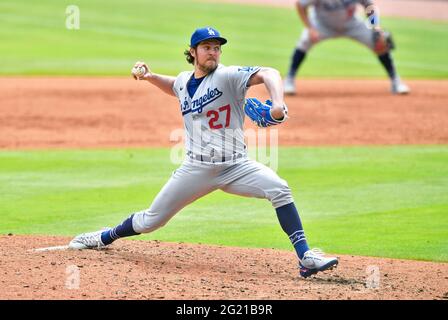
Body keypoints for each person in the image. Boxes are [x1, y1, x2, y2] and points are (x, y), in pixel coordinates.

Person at [68, 27, 338, 278]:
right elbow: (175, 85)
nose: (213, 52)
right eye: (207, 47)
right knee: (151, 221)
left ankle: (305, 257)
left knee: (279, 188)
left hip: (236, 166)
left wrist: (278, 103)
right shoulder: (185, 81)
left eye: (217, 48)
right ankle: (104, 237)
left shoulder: (228, 76)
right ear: (193, 52)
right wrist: (150, 77)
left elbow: (270, 72)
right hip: (196, 169)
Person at [284, 0, 410, 95]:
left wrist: (375, 27)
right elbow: (300, 5)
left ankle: (395, 81)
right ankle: (289, 79)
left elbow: (369, 5)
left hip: (351, 24)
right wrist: (310, 28)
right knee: (304, 41)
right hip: (321, 25)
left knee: (378, 42)